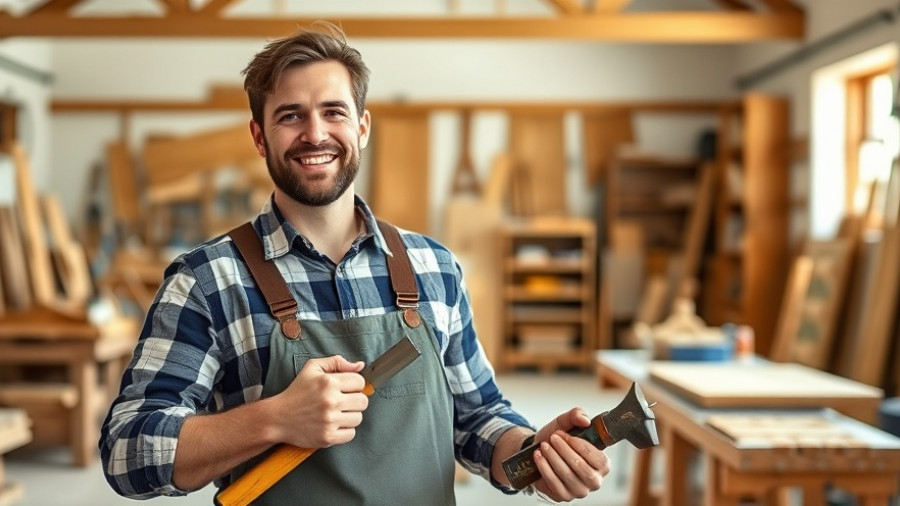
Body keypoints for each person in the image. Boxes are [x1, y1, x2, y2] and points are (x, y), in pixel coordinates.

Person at [99, 22, 610, 505]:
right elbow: (126, 451)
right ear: (259, 137)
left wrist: (535, 457)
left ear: (362, 127)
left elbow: (478, 419)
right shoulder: (207, 281)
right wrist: (274, 419)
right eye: (290, 115)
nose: (315, 134)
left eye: (334, 112)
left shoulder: (434, 268)